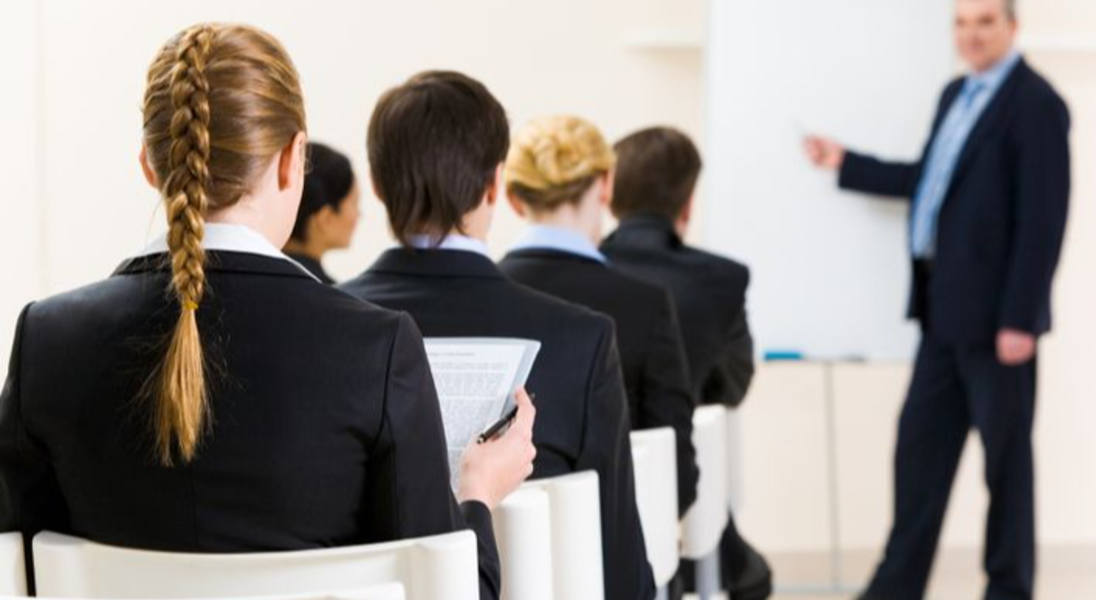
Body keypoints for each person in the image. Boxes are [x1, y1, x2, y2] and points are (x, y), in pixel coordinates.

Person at [0, 24, 535, 600]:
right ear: (293, 160)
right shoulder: (375, 348)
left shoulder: (46, 341)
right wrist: (477, 493)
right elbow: (455, 594)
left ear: (150, 167)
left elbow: (16, 567)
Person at [339, 72, 655, 600]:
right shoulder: (583, 340)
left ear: (375, 184)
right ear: (494, 185)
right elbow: (620, 570)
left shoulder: (330, 331)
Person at [803, 0, 1070, 597]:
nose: (971, 35)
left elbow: (1043, 220)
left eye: (985, 22)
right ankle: (896, 587)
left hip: (999, 325)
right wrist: (847, 162)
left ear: (1012, 27)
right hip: (942, 313)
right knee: (918, 456)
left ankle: (1008, 589)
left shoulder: (1036, 105)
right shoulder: (956, 95)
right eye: (962, 23)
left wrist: (1021, 318)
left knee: (1005, 468)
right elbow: (929, 180)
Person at [498, 116, 699, 518]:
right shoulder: (646, 304)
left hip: (491, 545)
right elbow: (677, 480)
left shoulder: (482, 297)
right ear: (606, 184)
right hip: (614, 537)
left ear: (514, 199)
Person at [602, 126, 772, 600]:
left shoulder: (574, 271)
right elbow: (732, 386)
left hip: (588, 497)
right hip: (680, 496)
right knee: (750, 577)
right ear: (688, 202)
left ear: (610, 193)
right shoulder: (721, 279)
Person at [283, 142, 361, 284]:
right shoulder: (333, 294)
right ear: (325, 218)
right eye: (354, 204)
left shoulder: (252, 278)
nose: (358, 215)